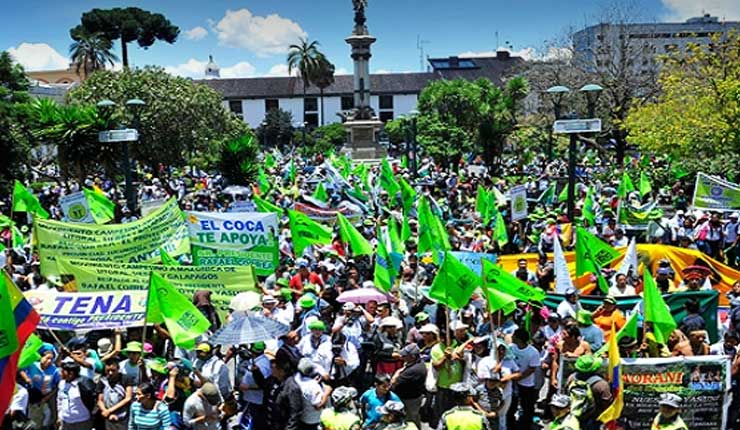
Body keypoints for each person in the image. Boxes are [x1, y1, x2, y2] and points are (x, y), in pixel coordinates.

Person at [566, 355, 612, 430]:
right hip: (593, 418)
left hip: (574, 415)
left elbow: (566, 392)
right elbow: (607, 402)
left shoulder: (572, 378)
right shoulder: (601, 385)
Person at [507, 328, 539, 430]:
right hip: (512, 383)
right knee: (511, 406)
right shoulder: (511, 348)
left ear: (518, 338)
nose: (511, 337)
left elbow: (531, 369)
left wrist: (518, 377)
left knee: (527, 407)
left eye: (513, 335)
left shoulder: (533, 352)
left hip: (526, 384)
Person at [390, 343, 426, 429]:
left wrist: (397, 372)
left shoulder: (413, 370)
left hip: (409, 400)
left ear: (413, 357)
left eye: (405, 356)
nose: (402, 357)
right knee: (415, 418)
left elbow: (393, 382)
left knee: (409, 421)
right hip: (413, 397)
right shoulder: (416, 363)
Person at [56, 358, 96, 430]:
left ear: (71, 374)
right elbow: (60, 400)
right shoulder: (62, 384)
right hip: (66, 421)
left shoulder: (83, 385)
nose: (60, 373)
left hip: (81, 421)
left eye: (63, 371)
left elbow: (92, 402)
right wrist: (60, 416)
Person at [96, 357, 134, 430]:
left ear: (118, 368)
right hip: (107, 416)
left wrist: (110, 410)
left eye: (113, 370)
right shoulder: (102, 381)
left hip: (123, 416)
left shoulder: (126, 379)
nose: (110, 373)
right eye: (108, 370)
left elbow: (128, 398)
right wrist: (105, 411)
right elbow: (99, 400)